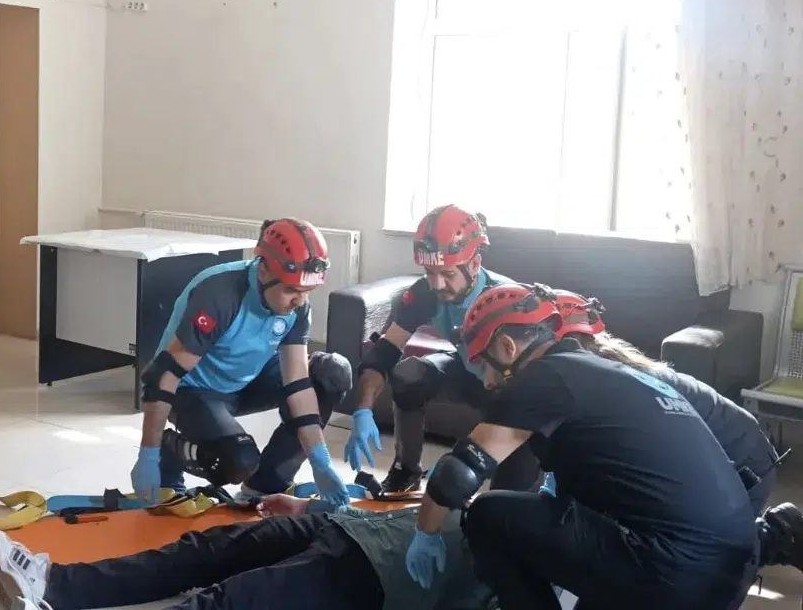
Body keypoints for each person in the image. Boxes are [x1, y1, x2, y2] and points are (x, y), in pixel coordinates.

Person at [405, 282, 761, 609]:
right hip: (728, 573)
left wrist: (426, 533)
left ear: (507, 347)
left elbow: (456, 476)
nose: (487, 381)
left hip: (670, 569)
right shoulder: (620, 374)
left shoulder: (544, 376)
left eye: (485, 365)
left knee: (488, 515)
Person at [133, 218, 355, 507]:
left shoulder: (296, 304)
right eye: (291, 290)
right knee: (238, 460)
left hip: (247, 380)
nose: (300, 301)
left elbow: (298, 385)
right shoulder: (220, 293)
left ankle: (266, 485)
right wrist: (148, 453)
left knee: (330, 373)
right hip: (192, 390)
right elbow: (164, 376)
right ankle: (170, 451)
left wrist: (320, 460)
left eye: (307, 292)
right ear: (263, 271)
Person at [0, 495, 494, 610]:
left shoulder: (531, 574)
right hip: (348, 525)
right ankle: (56, 585)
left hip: (377, 573)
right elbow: (414, 511)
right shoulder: (516, 498)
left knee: (233, 601)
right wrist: (313, 505)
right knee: (205, 549)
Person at [345, 204, 540, 494]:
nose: (437, 284)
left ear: (474, 264)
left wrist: (467, 457)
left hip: (511, 387)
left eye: (447, 273)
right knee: (409, 374)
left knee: (506, 500)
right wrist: (362, 410)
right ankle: (406, 470)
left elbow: (535, 388)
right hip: (466, 368)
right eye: (429, 272)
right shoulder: (426, 292)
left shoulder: (507, 302)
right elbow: (386, 350)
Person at [552, 288, 784, 513]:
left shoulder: (612, 387)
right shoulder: (605, 367)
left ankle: (771, 534)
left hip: (743, 464)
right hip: (743, 449)